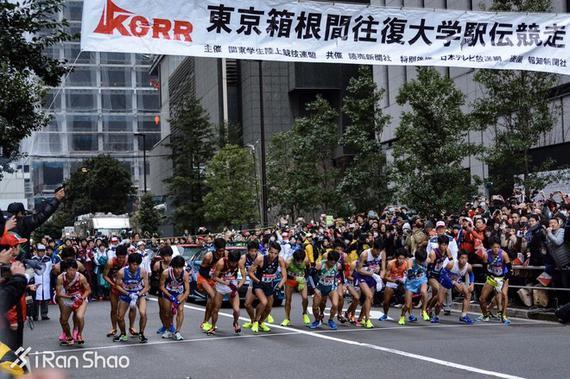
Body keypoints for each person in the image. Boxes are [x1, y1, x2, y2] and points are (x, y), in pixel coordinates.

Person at [6, 187, 64, 260]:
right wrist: (56, 199)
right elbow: (43, 215)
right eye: (24, 213)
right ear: (20, 213)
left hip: (4, 263)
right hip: (22, 263)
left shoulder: (3, 225)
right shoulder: (23, 222)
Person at [249, 241, 287, 333]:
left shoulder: (280, 260)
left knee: (269, 307)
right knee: (264, 302)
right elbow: (250, 272)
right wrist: (257, 280)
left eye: (275, 253)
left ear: (278, 253)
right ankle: (255, 322)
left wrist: (280, 284)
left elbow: (284, 276)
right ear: (268, 251)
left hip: (270, 285)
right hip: (259, 284)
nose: (273, 255)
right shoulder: (260, 259)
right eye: (271, 252)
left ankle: (261, 322)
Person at [113, 253, 149, 343]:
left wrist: (138, 294)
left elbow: (146, 287)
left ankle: (141, 333)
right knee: (120, 316)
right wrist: (127, 293)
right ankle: (123, 334)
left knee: (143, 313)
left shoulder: (143, 272)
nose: (135, 266)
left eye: (137, 264)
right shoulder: (122, 272)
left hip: (139, 294)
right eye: (133, 264)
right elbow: (117, 285)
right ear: (129, 263)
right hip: (126, 294)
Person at [103, 244, 137, 338]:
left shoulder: (128, 262)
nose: (121, 259)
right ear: (116, 256)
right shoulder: (111, 262)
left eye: (123, 257)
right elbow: (104, 275)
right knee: (114, 309)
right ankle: (114, 328)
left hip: (127, 288)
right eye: (119, 257)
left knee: (132, 306)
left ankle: (132, 327)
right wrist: (113, 284)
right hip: (114, 288)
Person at [210, 249, 247, 335]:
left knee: (237, 310)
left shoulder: (240, 263)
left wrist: (239, 286)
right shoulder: (221, 263)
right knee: (216, 308)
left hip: (232, 286)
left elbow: (244, 277)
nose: (233, 264)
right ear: (228, 258)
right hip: (221, 286)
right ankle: (213, 326)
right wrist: (224, 282)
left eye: (235, 262)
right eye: (231, 262)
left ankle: (235, 322)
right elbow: (214, 277)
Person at [56, 259, 91, 345]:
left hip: (80, 297)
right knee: (63, 320)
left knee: (79, 316)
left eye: (74, 270)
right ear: (66, 270)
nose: (72, 272)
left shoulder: (81, 277)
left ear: (77, 269)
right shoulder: (60, 278)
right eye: (70, 270)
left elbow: (88, 290)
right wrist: (70, 297)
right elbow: (59, 293)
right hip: (67, 297)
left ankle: (79, 334)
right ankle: (69, 336)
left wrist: (81, 298)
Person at [478, 237, 512, 325]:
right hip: (492, 277)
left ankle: (503, 315)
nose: (496, 249)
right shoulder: (486, 255)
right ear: (490, 247)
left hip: (503, 277)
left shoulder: (504, 254)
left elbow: (510, 269)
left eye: (498, 247)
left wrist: (505, 279)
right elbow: (484, 269)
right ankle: (486, 315)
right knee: (482, 298)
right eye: (494, 247)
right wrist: (490, 276)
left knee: (504, 295)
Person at [355, 239, 386, 329]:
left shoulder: (382, 253)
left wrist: (380, 278)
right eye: (377, 250)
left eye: (380, 250)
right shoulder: (365, 254)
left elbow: (383, 268)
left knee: (370, 299)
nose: (378, 252)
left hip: (372, 276)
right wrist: (372, 274)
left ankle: (361, 318)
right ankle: (368, 320)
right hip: (362, 275)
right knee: (369, 296)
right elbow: (359, 269)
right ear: (373, 248)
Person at [197, 238, 227, 332]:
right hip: (204, 278)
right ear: (215, 248)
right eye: (219, 251)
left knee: (214, 300)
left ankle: (206, 322)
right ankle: (205, 322)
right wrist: (212, 274)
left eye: (223, 250)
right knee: (212, 296)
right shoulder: (208, 256)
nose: (221, 253)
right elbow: (201, 271)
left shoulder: (226, 254)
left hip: (214, 279)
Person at [438, 250, 475, 324]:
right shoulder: (451, 264)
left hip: (457, 281)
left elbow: (471, 274)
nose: (464, 260)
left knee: (468, 293)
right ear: (458, 258)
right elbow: (442, 274)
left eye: (465, 258)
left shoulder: (468, 266)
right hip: (446, 281)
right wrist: (453, 282)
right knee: (440, 302)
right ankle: (435, 315)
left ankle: (463, 316)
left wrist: (472, 283)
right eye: (462, 258)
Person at [158, 256, 190, 341]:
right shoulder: (166, 273)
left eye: (181, 267)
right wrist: (170, 296)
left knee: (180, 309)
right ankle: (168, 329)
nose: (179, 270)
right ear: (173, 267)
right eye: (177, 268)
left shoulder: (185, 274)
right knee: (167, 313)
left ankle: (178, 331)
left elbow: (187, 291)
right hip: (168, 292)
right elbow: (161, 287)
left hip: (179, 292)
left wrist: (179, 301)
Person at [310, 250, 340, 330]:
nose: (332, 263)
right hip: (320, 287)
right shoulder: (320, 264)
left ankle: (331, 320)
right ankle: (317, 320)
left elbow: (340, 275)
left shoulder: (337, 265)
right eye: (331, 262)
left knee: (335, 304)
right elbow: (310, 276)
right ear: (328, 259)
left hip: (331, 288)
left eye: (334, 262)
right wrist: (314, 288)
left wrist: (340, 284)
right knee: (315, 306)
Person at [426, 235, 454, 322]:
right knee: (439, 292)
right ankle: (429, 308)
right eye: (442, 245)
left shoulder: (447, 250)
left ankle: (427, 308)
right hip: (432, 274)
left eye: (446, 245)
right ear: (438, 244)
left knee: (436, 296)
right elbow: (430, 267)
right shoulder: (433, 253)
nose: (444, 247)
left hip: (440, 273)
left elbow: (451, 261)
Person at [399, 248, 430, 326]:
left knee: (424, 292)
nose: (421, 262)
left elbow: (432, 259)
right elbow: (409, 268)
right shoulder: (411, 261)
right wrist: (409, 270)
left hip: (422, 280)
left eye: (422, 261)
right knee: (408, 305)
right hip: (410, 284)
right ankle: (402, 316)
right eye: (420, 261)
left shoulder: (426, 260)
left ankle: (424, 311)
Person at [280, 249, 310, 327]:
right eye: (297, 261)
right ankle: (287, 318)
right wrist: (295, 278)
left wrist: (304, 279)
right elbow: (283, 274)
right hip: (290, 281)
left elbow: (308, 270)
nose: (299, 262)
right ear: (294, 258)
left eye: (301, 261)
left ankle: (305, 313)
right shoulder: (288, 262)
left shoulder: (306, 260)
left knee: (305, 298)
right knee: (288, 300)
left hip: (301, 280)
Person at [381, 248, 408, 321]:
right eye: (399, 258)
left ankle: (407, 315)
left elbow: (408, 275)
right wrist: (394, 280)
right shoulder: (390, 264)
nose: (401, 260)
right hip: (392, 281)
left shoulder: (406, 264)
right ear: (396, 258)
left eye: (403, 258)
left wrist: (404, 280)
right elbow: (385, 277)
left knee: (409, 298)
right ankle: (385, 314)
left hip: (401, 282)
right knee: (386, 301)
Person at [153, 246, 174, 334]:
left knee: (171, 310)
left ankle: (171, 325)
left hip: (173, 288)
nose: (167, 258)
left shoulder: (175, 263)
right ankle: (164, 325)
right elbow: (154, 278)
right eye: (164, 256)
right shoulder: (158, 265)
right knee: (162, 309)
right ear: (161, 256)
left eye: (168, 256)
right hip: (161, 288)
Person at [241, 241, 260, 329]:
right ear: (248, 251)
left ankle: (260, 322)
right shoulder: (243, 258)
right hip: (252, 281)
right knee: (247, 304)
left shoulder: (260, 257)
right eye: (251, 251)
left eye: (255, 251)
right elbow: (242, 272)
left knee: (265, 303)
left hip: (261, 282)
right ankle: (253, 321)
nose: (253, 253)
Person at [32, 244, 52, 321]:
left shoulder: (48, 259)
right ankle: (35, 315)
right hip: (36, 280)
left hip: (45, 281)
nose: (41, 253)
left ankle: (44, 314)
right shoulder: (33, 259)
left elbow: (50, 269)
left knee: (45, 298)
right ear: (37, 251)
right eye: (40, 251)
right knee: (36, 299)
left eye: (43, 251)